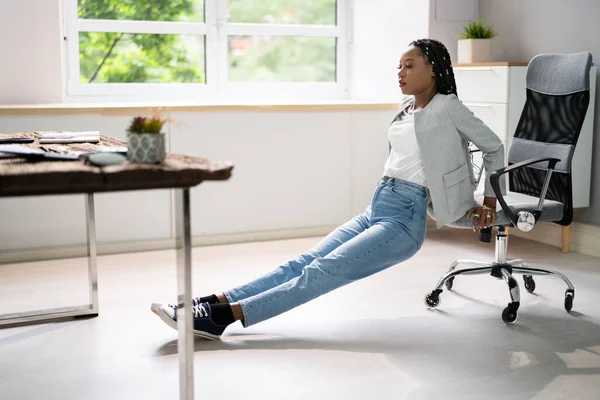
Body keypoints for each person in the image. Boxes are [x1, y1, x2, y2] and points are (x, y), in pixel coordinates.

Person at [151, 38, 506, 340]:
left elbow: (494, 147)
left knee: (320, 272)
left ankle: (221, 318)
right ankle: (216, 300)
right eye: (398, 66)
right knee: (303, 262)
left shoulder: (449, 108)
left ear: (433, 69)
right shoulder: (407, 107)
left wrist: (487, 201)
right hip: (379, 204)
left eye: (409, 65)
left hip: (404, 220)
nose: (400, 73)